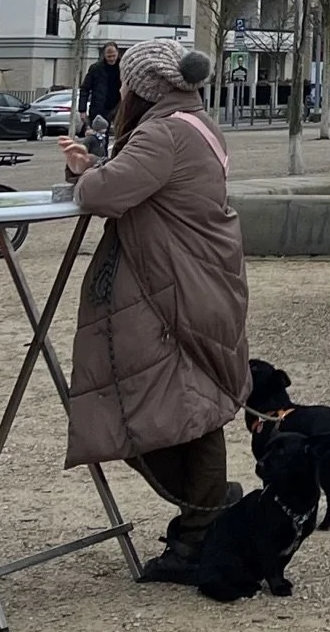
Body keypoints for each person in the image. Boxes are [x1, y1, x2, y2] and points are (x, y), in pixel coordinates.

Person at [59, 37, 251, 581]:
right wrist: (98, 165)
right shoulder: (195, 122)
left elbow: (103, 195)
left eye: (125, 85)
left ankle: (202, 521)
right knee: (193, 402)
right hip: (201, 276)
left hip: (173, 283)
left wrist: (86, 170)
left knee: (177, 408)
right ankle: (205, 514)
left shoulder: (161, 133)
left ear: (143, 89)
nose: (119, 92)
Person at [78, 37, 125, 159]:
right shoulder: (96, 68)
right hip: (99, 108)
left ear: (117, 54)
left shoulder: (123, 68)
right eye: (108, 56)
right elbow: (85, 88)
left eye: (113, 56)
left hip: (118, 106)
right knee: (99, 140)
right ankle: (99, 162)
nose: (111, 59)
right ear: (104, 55)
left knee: (122, 136)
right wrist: (82, 110)